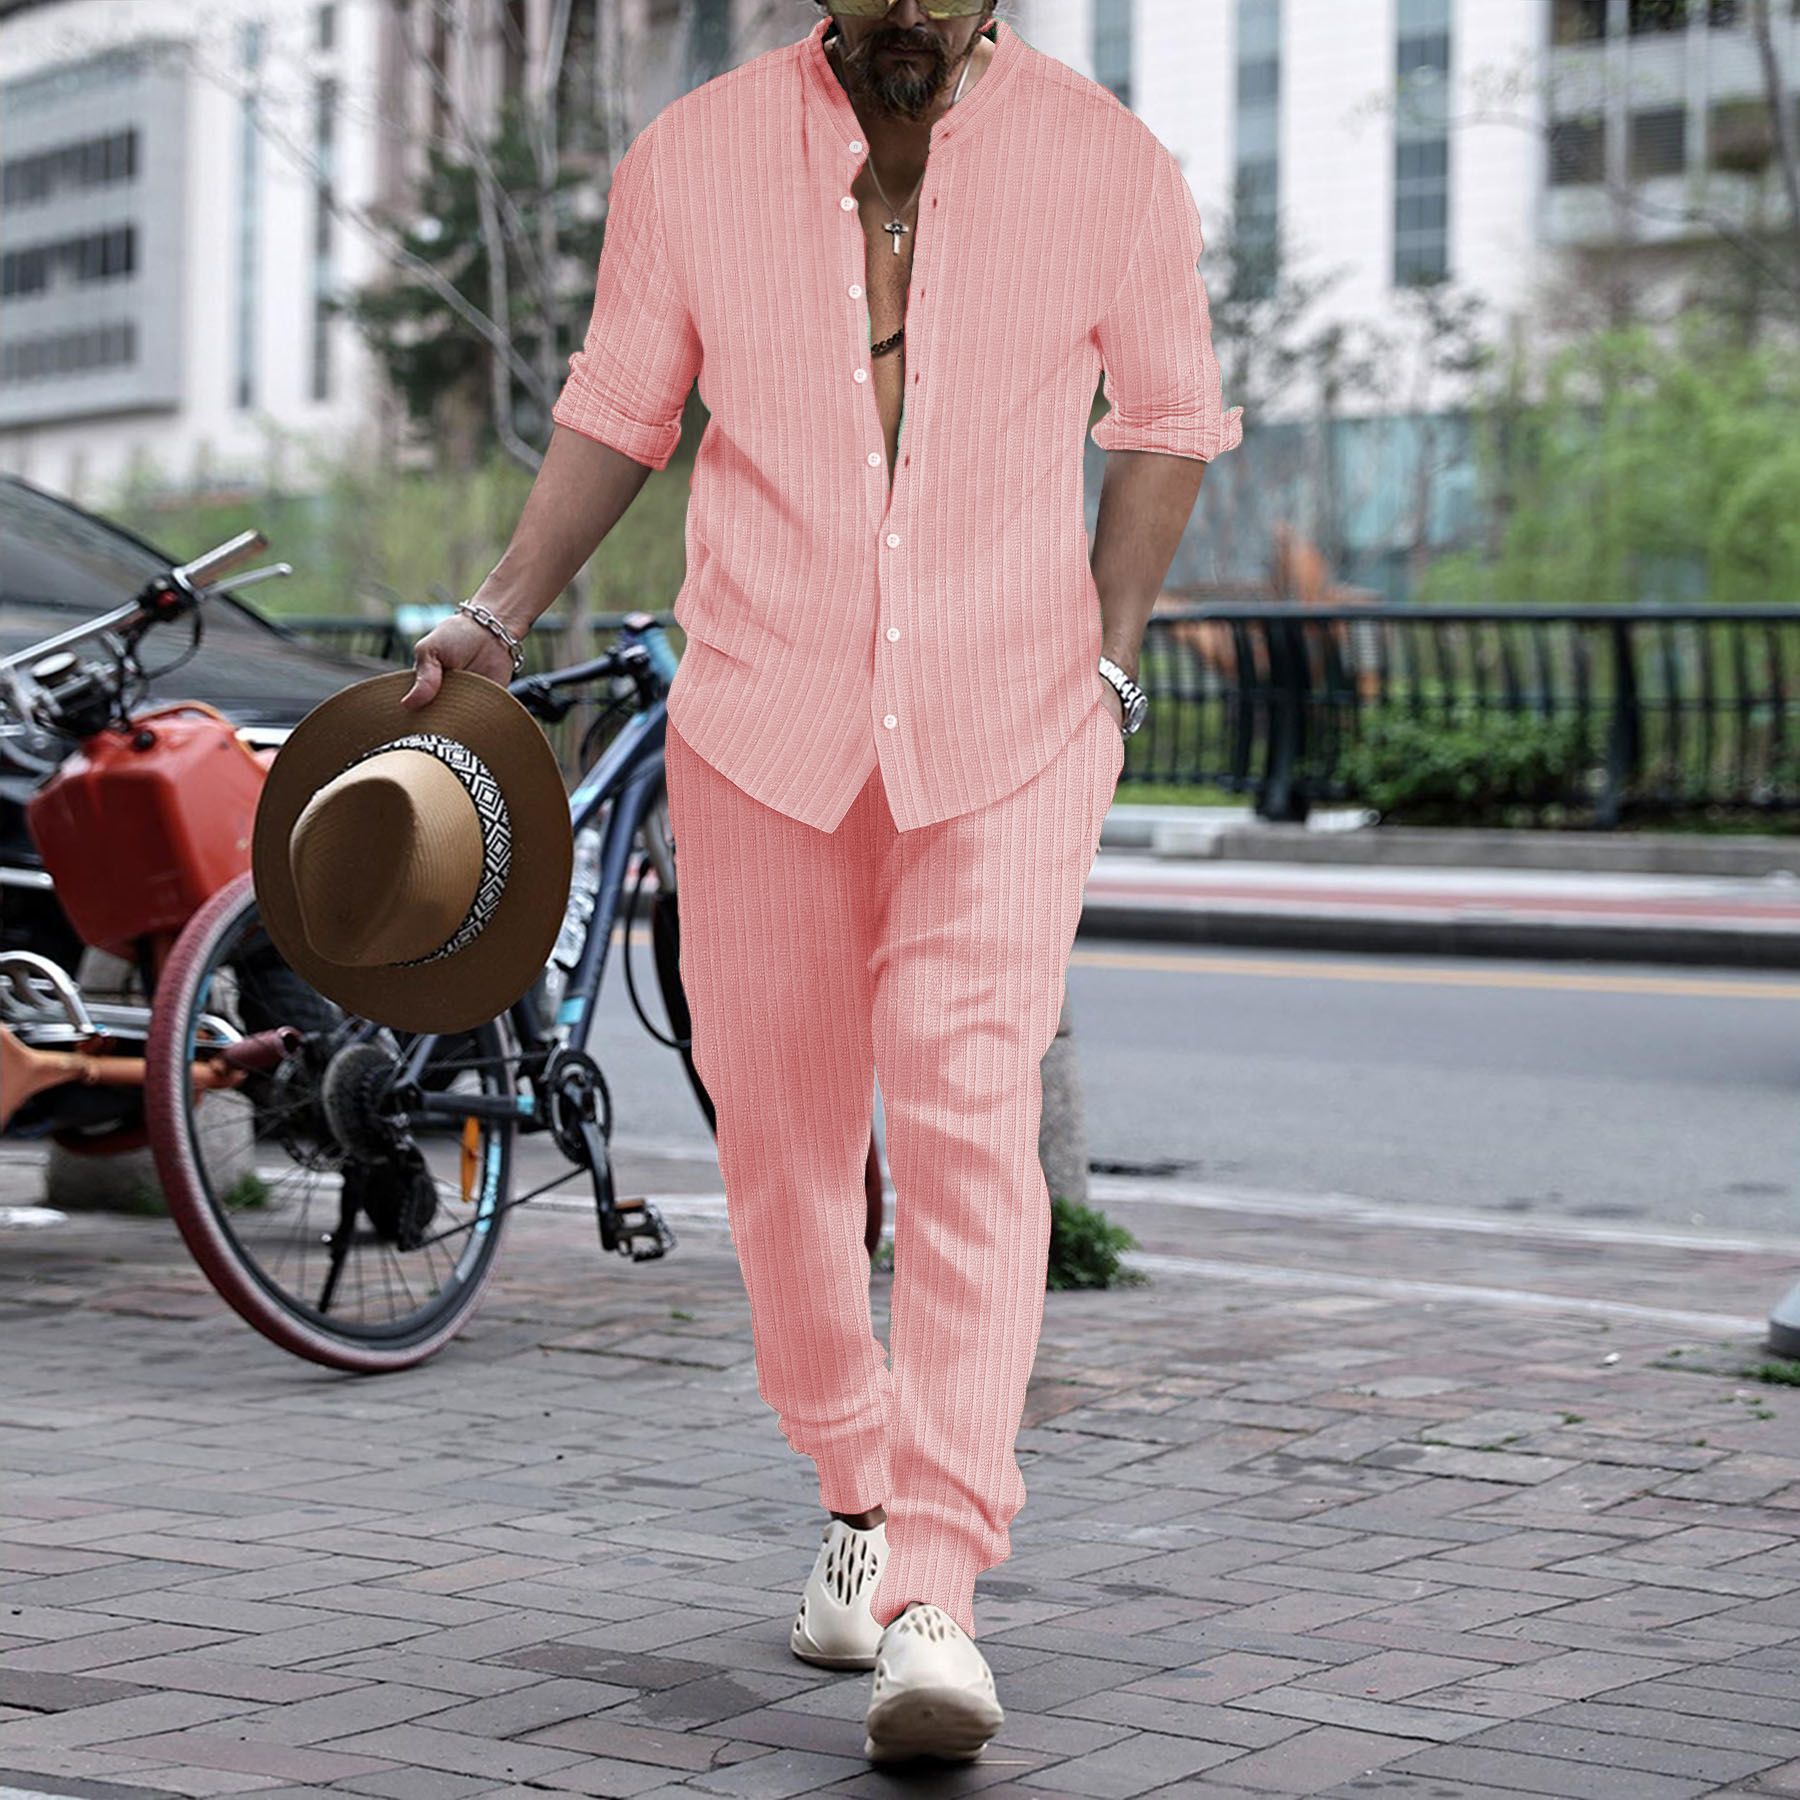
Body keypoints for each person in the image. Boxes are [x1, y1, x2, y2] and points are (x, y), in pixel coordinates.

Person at [401, 0, 1240, 1764]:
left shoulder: (1110, 165)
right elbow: (621, 410)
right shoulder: (693, 157)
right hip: (760, 721)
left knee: (963, 1106)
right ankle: (856, 1487)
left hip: (1011, 725)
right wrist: (498, 612)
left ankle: (937, 1593)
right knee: (778, 1143)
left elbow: (1168, 415)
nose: (915, 8)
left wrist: (1108, 661)